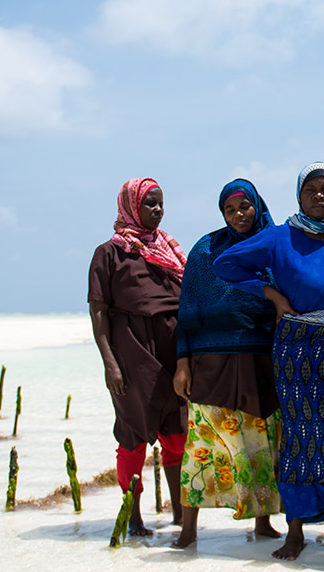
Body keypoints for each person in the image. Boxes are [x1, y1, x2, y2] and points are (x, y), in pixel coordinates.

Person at [213, 162, 324, 560]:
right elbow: (225, 265)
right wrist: (270, 294)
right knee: (301, 436)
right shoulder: (279, 237)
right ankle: (296, 530)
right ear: (299, 195)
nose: (319, 195)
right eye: (310, 189)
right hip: (297, 348)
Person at [171, 179, 282, 548]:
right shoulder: (206, 249)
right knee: (204, 445)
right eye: (230, 210)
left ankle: (263, 523)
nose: (238, 215)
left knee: (260, 442)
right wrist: (182, 363)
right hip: (211, 363)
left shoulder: (273, 245)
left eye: (245, 207)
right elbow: (187, 310)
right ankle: (188, 531)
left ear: (257, 205)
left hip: (261, 361)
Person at [88, 177, 187, 536]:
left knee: (177, 433)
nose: (157, 211)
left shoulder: (171, 251)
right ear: (131, 206)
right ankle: (133, 518)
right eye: (149, 204)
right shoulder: (109, 253)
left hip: (173, 354)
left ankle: (180, 516)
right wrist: (110, 363)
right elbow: (98, 313)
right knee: (133, 437)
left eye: (160, 204)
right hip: (132, 355)